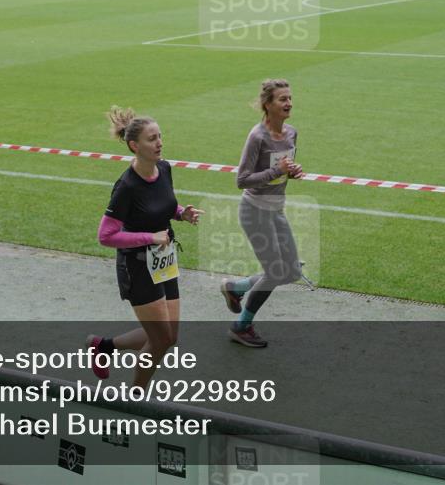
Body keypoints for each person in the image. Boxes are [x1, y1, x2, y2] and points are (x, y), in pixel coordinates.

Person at [89, 106, 203, 388]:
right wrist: (149, 237)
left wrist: (180, 214)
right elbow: (106, 235)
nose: (160, 143)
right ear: (134, 146)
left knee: (169, 336)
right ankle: (136, 398)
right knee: (161, 339)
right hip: (137, 265)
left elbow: (162, 204)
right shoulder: (126, 186)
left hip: (163, 260)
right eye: (152, 139)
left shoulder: (164, 169)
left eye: (160, 136)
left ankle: (104, 347)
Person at [221, 79, 304, 348]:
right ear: (268, 105)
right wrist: (277, 171)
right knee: (274, 271)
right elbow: (242, 180)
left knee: (290, 271)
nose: (288, 103)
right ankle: (241, 326)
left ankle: (237, 287)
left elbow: (283, 169)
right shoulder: (257, 136)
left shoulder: (292, 133)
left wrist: (292, 171)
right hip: (254, 211)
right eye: (282, 99)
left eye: (290, 98)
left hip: (276, 210)